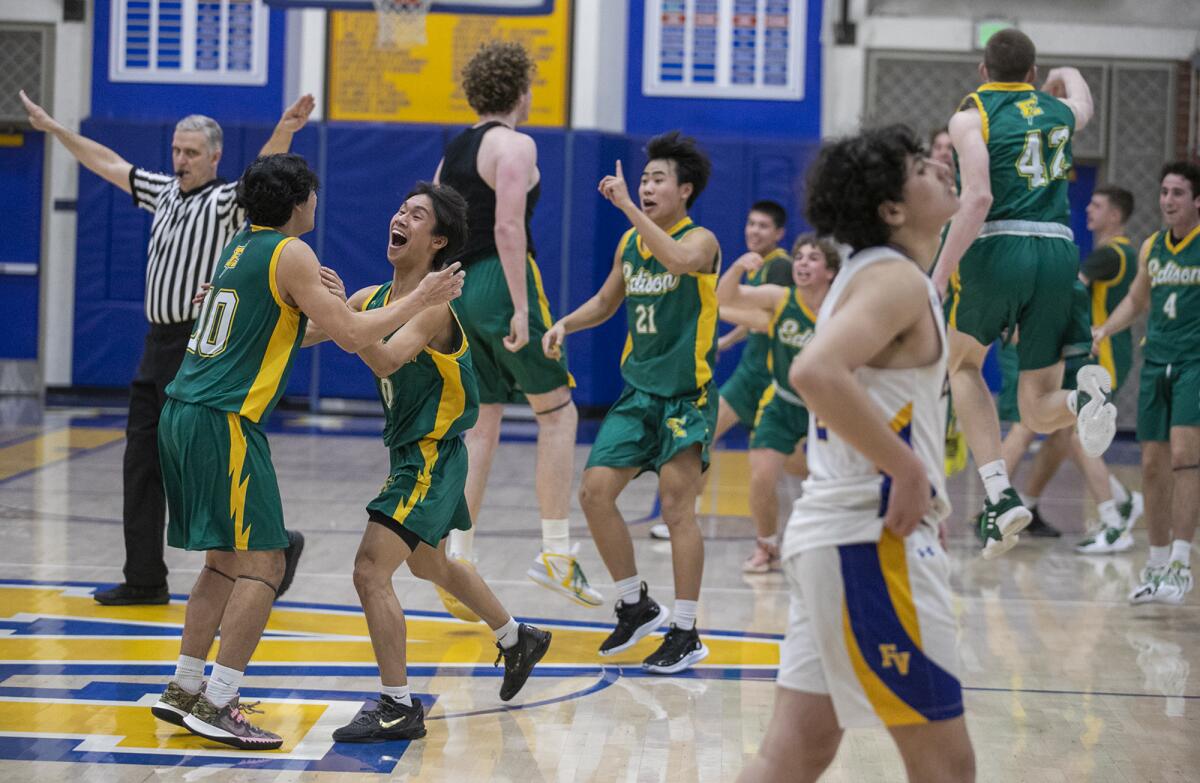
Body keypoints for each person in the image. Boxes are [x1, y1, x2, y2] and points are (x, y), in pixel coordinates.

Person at [148, 154, 466, 749]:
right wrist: (422, 295)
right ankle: (220, 702)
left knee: (221, 561)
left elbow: (300, 327)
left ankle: (186, 686)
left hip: (182, 413)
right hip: (225, 422)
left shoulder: (241, 245)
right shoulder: (292, 252)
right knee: (265, 564)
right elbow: (351, 336)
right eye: (313, 195)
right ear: (300, 203)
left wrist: (353, 308)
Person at [738, 125, 973, 783]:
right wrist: (909, 468)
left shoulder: (880, 275)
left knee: (794, 755)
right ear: (892, 208)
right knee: (948, 768)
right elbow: (815, 371)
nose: (941, 171)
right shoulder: (893, 278)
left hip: (838, 538)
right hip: (868, 544)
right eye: (925, 168)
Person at [19, 89, 315, 606]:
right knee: (139, 466)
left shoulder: (228, 201)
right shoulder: (162, 191)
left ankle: (272, 544)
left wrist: (286, 127)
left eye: (192, 152)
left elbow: (264, 169)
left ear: (215, 157)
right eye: (177, 150)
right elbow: (107, 162)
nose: (180, 160)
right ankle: (145, 578)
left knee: (201, 467)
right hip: (153, 345)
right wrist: (54, 129)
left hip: (197, 346)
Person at [299, 183, 550, 742]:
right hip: (412, 453)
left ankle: (397, 705)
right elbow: (304, 332)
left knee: (370, 569)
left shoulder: (435, 307)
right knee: (429, 565)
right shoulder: (373, 297)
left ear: (436, 242)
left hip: (432, 457)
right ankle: (517, 637)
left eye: (416, 215)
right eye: (400, 209)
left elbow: (385, 358)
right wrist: (238, 305)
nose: (400, 217)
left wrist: (344, 320)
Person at [930, 29, 1117, 558]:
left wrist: (940, 274)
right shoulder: (1057, 112)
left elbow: (979, 196)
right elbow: (1083, 100)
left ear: (982, 71)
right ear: (1033, 74)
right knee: (1036, 411)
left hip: (1001, 247)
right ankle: (1086, 399)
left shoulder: (971, 116)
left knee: (963, 366)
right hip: (1060, 252)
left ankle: (999, 492)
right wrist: (1064, 76)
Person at [543, 131, 719, 674]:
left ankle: (686, 629)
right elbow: (604, 301)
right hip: (637, 394)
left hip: (686, 398)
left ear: (684, 190)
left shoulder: (702, 239)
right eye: (643, 180)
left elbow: (680, 260)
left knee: (676, 508)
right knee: (595, 492)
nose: (645, 187)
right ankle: (634, 601)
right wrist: (566, 324)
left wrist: (624, 206)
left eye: (657, 179)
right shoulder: (628, 245)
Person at [433, 41, 598, 611]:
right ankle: (556, 553)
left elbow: (436, 228)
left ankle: (460, 558)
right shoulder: (517, 143)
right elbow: (508, 226)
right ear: (522, 91)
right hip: (501, 284)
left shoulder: (451, 152)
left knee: (481, 425)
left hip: (454, 287)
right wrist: (522, 307)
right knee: (557, 412)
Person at [987, 186, 1143, 550]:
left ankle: (1112, 520)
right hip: (1099, 354)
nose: (1088, 208)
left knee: (1076, 438)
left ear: (1116, 216)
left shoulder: (1110, 254)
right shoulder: (1126, 253)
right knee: (1063, 435)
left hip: (1101, 356)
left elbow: (1070, 289)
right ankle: (1123, 502)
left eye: (1097, 204)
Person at [651, 200, 793, 541]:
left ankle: (781, 533)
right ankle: (687, 517)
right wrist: (728, 341)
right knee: (703, 437)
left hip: (773, 375)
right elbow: (754, 315)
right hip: (750, 373)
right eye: (751, 223)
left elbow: (772, 319)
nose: (754, 231)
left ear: (779, 233)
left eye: (763, 226)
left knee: (791, 459)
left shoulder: (780, 267)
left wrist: (722, 311)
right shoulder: (756, 264)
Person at [1094, 161, 1200, 605]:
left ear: (1197, 201)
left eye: (1178, 193)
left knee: (1183, 456)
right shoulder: (1153, 247)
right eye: (1164, 192)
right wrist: (1103, 330)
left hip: (1194, 361)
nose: (1168, 201)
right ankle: (1156, 565)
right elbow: (1137, 300)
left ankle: (1181, 561)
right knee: (1153, 465)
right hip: (1155, 361)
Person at [715, 234, 840, 572]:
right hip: (783, 401)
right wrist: (739, 267)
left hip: (829, 408)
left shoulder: (841, 310)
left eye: (813, 258)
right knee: (762, 475)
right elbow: (724, 297)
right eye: (799, 257)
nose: (802, 263)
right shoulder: (781, 298)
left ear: (830, 271)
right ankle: (766, 546)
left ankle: (840, 543)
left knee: (829, 478)